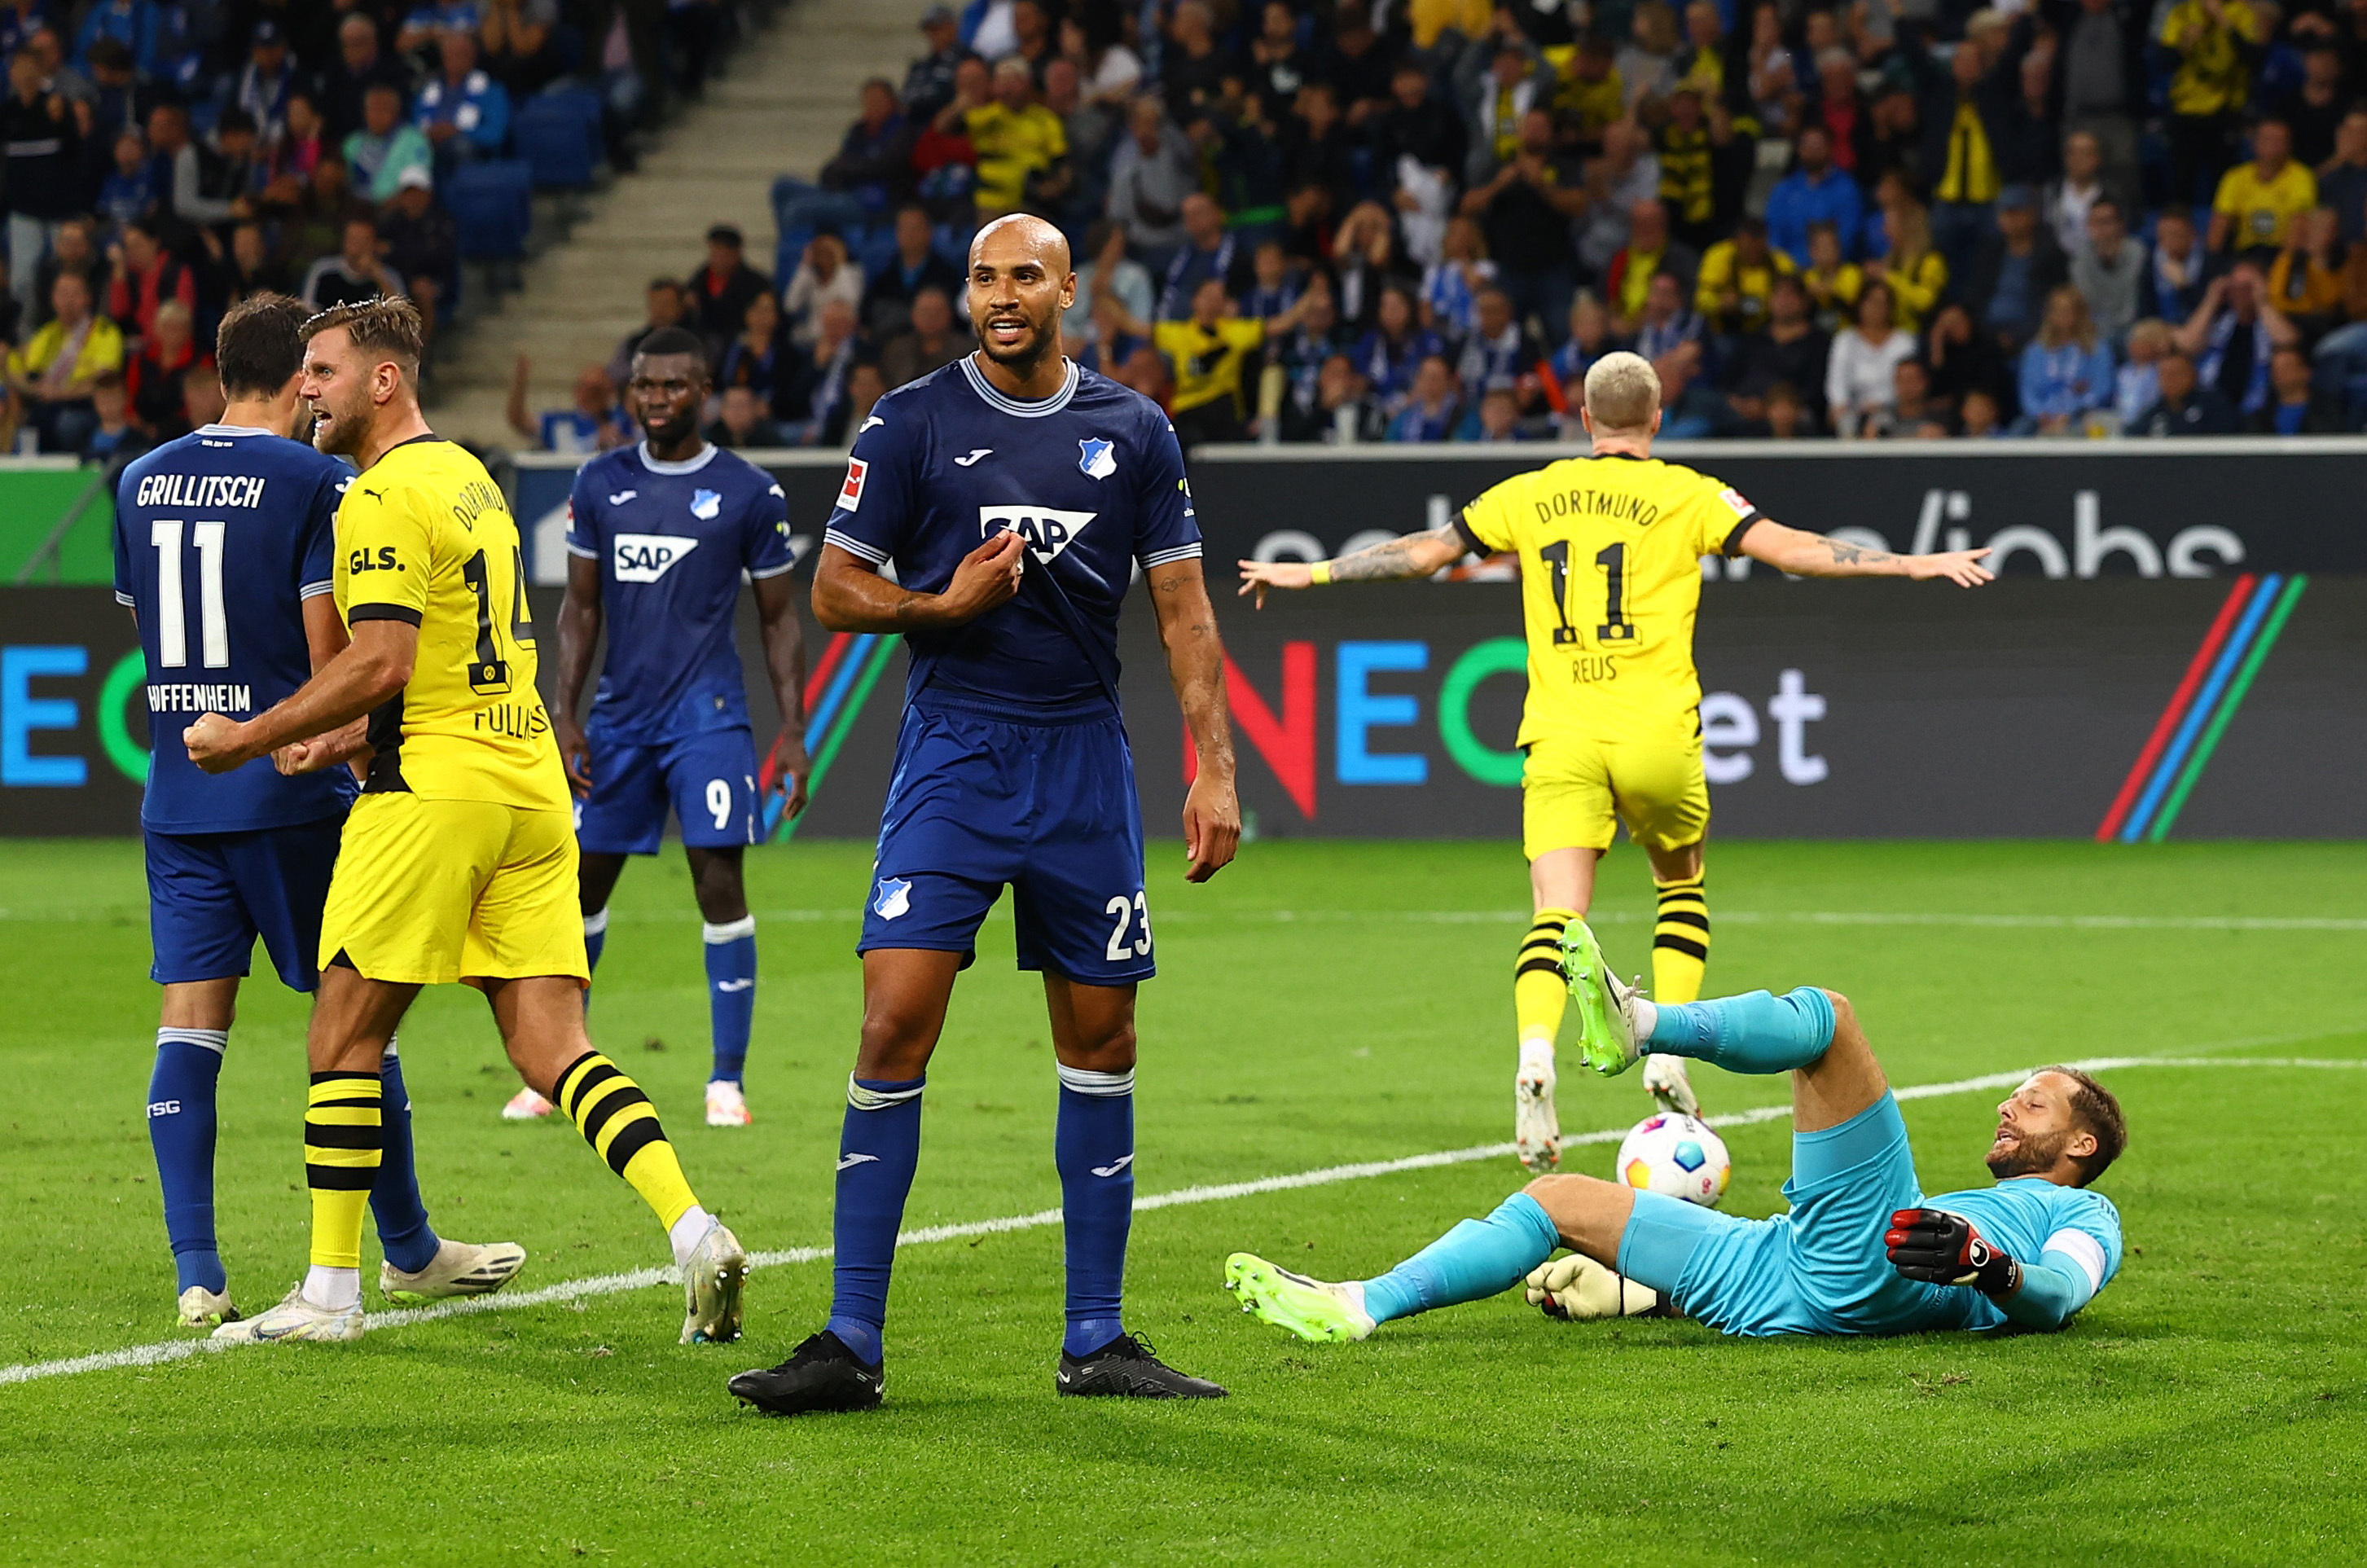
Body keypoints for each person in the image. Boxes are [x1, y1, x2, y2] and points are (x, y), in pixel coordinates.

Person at [725, 214, 1242, 1415]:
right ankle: (850, 1340)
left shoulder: (1134, 430)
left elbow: (1183, 614)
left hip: (1081, 768)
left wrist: (1212, 767)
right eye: (981, 277)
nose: (999, 294)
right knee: (893, 1022)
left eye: (1023, 276)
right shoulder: (909, 422)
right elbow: (836, 586)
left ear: (1067, 290)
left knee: (1101, 1041)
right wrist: (940, 600)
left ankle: (1096, 1338)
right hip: (955, 759)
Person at [1236, 353, 1993, 1171]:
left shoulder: (1526, 493)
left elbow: (1422, 554)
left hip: (1560, 731)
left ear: (1587, 420)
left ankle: (1534, 1054)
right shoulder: (1689, 493)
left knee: (1556, 913)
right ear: (1656, 418)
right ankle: (1665, 1048)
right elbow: (1792, 549)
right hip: (1656, 733)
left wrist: (1309, 570)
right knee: (1679, 882)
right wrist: (1908, 561)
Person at [185, 296, 748, 1348]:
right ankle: (693, 1226)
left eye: (323, 370)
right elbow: (443, 663)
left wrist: (254, 735)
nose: (305, 387)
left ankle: (330, 1293)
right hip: (529, 793)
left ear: (384, 380)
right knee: (551, 1048)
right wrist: (337, 740)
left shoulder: (381, 495)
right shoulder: (474, 482)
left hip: (430, 798)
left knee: (342, 1034)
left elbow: (385, 659)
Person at [112, 293, 524, 1331]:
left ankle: (197, 1274)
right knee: (353, 1027)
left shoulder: (138, 479)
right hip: (291, 792)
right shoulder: (320, 480)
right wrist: (324, 740)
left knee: (190, 1026)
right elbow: (332, 657)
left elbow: (152, 636)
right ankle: (410, 1249)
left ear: (215, 370)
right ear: (298, 378)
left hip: (177, 789)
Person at [1223, 946, 2127, 1345]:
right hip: (1786, 1279)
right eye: (2013, 1093)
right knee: (1554, 1201)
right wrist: (1646, 1295)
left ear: (2080, 1141)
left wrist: (1989, 1267)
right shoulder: (1975, 1201)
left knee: (1829, 1022)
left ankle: (1641, 1022)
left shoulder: (2085, 1210)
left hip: (1868, 1272)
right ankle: (1358, 1303)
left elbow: (2055, 1299)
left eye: (2035, 1102)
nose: (2009, 1105)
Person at [503, 326, 810, 1131]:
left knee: (718, 880)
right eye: (644, 384)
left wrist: (794, 730)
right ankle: (553, 1066)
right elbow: (580, 606)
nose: (655, 398)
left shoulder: (748, 491)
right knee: (579, 888)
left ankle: (724, 1080)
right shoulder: (599, 481)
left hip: (708, 718)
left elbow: (779, 619)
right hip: (617, 721)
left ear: (702, 389)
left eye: (672, 385)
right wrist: (564, 713)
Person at [7, 269, 122, 450]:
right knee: (27, 419)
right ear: (53, 299)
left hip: (85, 406)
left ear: (87, 298)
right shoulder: (48, 333)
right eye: (62, 294)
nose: (68, 301)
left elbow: (103, 382)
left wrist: (59, 393)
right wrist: (32, 388)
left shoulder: (104, 332)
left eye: (74, 294)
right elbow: (16, 365)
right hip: (47, 404)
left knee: (68, 424)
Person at [2018, 285, 2116, 433]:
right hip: (2042, 418)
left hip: (2082, 415)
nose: (2062, 315)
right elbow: (2028, 392)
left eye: (2067, 310)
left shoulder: (2097, 350)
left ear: (2079, 313)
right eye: (2057, 310)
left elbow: (2102, 389)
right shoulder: (2035, 351)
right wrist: (2041, 413)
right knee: (2018, 431)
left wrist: (2072, 411)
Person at [1826, 280, 1916, 437]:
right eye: (1871, 302)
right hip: (1852, 411)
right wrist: (1840, 406)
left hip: (1893, 411)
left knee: (1882, 423)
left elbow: (1907, 383)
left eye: (1882, 303)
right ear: (1860, 304)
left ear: (1890, 307)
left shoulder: (1904, 341)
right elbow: (1837, 381)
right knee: (1845, 423)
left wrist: (1883, 405)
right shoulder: (1845, 340)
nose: (1876, 308)